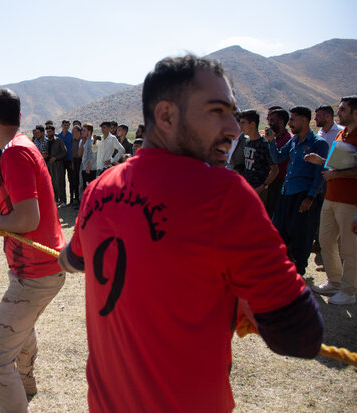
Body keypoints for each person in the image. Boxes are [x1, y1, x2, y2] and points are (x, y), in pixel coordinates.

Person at [58, 55, 323, 412]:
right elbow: (301, 336)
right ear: (166, 115)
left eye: (233, 112)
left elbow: (72, 259)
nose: (232, 127)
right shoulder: (222, 194)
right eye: (217, 111)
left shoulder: (99, 189)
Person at [0, 87, 66, 413]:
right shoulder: (20, 147)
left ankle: (19, 388)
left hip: (35, 272)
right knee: (21, 330)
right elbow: (4, 191)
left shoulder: (14, 153)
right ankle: (26, 382)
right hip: (37, 270)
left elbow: (27, 218)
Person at [306, 96, 357, 305]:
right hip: (331, 196)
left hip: (350, 201)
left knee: (349, 248)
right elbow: (337, 164)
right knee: (326, 242)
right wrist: (321, 162)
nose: (339, 113)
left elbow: (344, 170)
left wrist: (337, 175)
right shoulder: (340, 135)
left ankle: (349, 291)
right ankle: (334, 282)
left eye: (343, 110)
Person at [268, 106, 329, 275]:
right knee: (279, 231)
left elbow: (320, 173)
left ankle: (299, 272)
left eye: (293, 119)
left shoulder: (318, 144)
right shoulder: (293, 141)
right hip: (286, 193)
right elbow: (279, 157)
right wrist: (272, 142)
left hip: (303, 195)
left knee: (301, 235)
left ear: (304, 120)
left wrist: (310, 197)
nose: (290, 123)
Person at [238, 110, 278, 205]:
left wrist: (262, 187)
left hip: (258, 190)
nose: (240, 126)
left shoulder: (264, 144)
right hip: (246, 188)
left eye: (243, 123)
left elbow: (275, 170)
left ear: (252, 124)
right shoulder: (247, 142)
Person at [264, 107, 292, 216]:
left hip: (279, 180)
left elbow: (277, 159)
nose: (269, 123)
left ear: (280, 122)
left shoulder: (286, 140)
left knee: (273, 211)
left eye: (272, 120)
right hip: (270, 178)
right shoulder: (272, 137)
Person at [45, 124, 67, 207]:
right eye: (47, 132)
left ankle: (63, 200)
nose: (49, 133)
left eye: (50, 131)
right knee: (52, 183)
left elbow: (64, 152)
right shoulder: (47, 142)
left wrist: (56, 158)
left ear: (54, 132)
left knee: (60, 182)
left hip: (58, 164)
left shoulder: (59, 141)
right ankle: (56, 200)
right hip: (50, 165)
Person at [57, 120, 74, 204]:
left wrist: (72, 160)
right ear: (62, 125)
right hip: (61, 161)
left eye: (67, 125)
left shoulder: (71, 135)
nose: (66, 126)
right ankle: (63, 200)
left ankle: (71, 198)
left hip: (69, 160)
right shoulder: (58, 136)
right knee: (61, 180)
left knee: (71, 180)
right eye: (64, 125)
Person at [79, 122, 97, 192]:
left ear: (89, 132)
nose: (82, 132)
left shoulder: (93, 141)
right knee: (85, 187)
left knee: (90, 188)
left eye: (84, 130)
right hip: (84, 167)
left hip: (90, 169)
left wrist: (88, 167)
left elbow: (93, 155)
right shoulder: (84, 141)